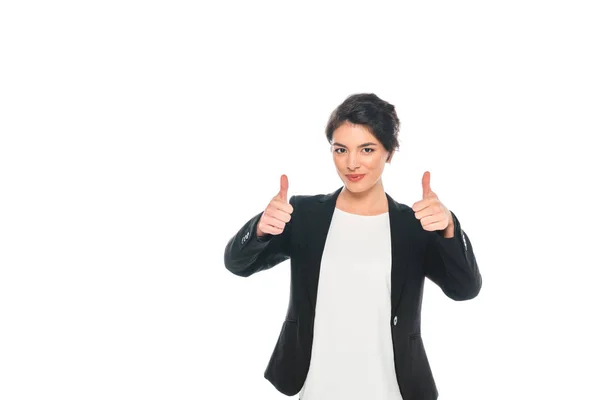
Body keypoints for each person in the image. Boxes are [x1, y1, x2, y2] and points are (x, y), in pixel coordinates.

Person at [223, 93, 482, 400]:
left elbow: (465, 289)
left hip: (390, 389)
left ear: (389, 152)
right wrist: (259, 228)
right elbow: (236, 263)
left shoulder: (414, 226)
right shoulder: (305, 215)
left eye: (367, 149)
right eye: (341, 149)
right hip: (318, 387)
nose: (351, 163)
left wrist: (450, 226)